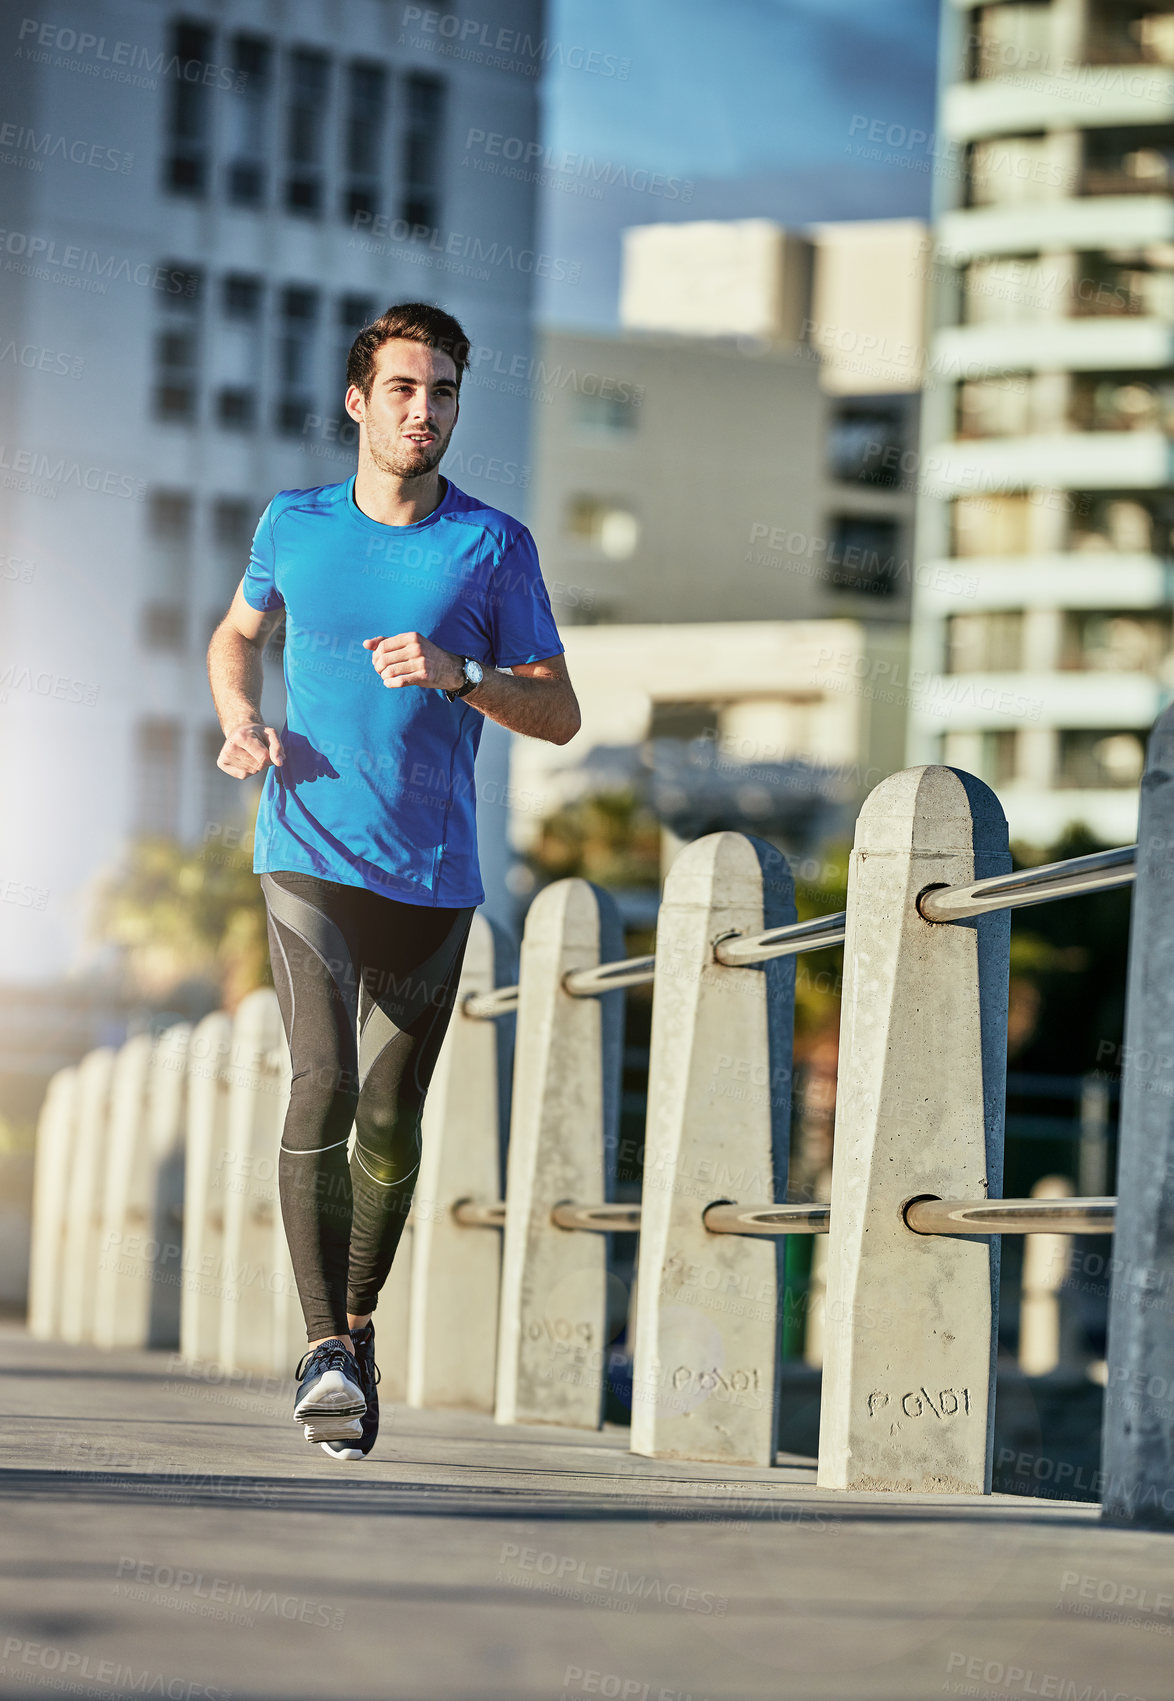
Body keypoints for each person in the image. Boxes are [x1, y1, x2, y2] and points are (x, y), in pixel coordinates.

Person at [206, 301, 579, 1460]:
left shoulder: (492, 546)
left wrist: (459, 673)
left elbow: (559, 715)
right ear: (360, 401)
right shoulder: (295, 523)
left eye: (446, 392)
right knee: (320, 1076)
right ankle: (324, 1348)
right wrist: (240, 720)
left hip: (431, 867)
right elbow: (236, 635)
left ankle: (357, 1331)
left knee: (390, 1115)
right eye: (406, 390)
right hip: (306, 844)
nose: (426, 411)